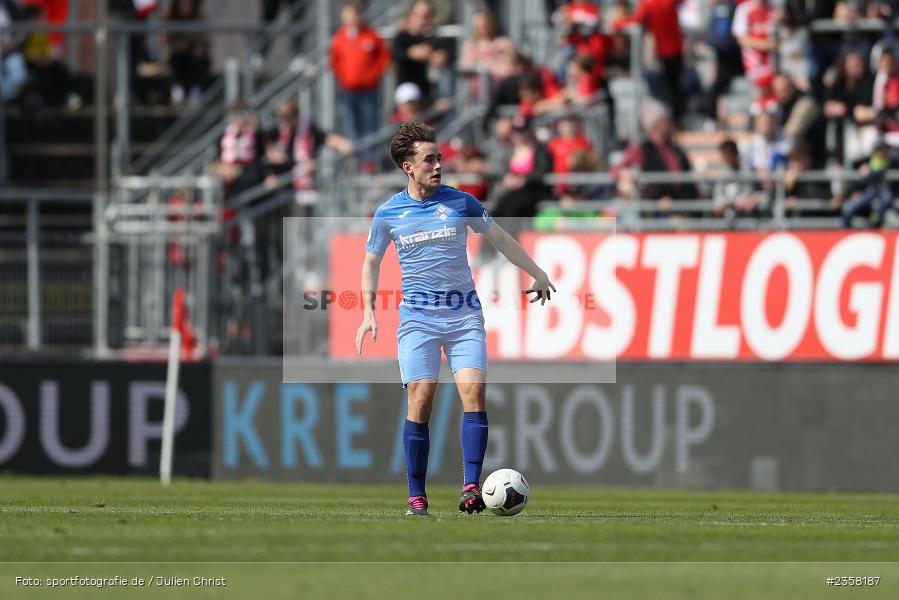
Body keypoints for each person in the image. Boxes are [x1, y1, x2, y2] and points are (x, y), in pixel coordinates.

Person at [355, 121, 556, 517]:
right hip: (418, 319)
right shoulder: (389, 212)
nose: (438, 165)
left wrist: (538, 273)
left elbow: (500, 238)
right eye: (429, 159)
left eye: (439, 158)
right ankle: (417, 496)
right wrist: (367, 313)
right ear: (408, 167)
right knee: (422, 399)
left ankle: (470, 487)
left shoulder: (461, 202)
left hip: (464, 315)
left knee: (473, 396)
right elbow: (371, 261)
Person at [330, 1, 390, 163]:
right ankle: (356, 160)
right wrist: (344, 77)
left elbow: (383, 58)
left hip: (369, 89)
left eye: (354, 14)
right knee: (352, 124)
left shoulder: (371, 35)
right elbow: (335, 61)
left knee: (370, 124)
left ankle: (369, 160)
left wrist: (372, 76)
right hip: (348, 89)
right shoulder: (340, 38)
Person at [613, 0, 686, 122]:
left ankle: (676, 118)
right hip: (676, 46)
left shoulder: (648, 4)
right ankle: (677, 117)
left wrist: (617, 23)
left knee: (672, 87)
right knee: (674, 85)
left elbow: (637, 19)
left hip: (666, 49)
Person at [165, 0, 210, 105]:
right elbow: (167, 41)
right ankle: (177, 89)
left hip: (194, 60)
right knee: (177, 58)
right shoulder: (171, 19)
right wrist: (184, 44)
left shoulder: (199, 18)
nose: (186, 7)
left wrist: (191, 44)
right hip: (178, 59)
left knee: (199, 58)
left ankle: (195, 90)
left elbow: (202, 41)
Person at [393, 1, 435, 103]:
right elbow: (397, 54)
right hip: (407, 93)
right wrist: (412, 53)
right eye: (418, 16)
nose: (421, 20)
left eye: (425, 16)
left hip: (425, 92)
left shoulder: (430, 37)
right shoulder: (401, 36)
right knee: (411, 119)